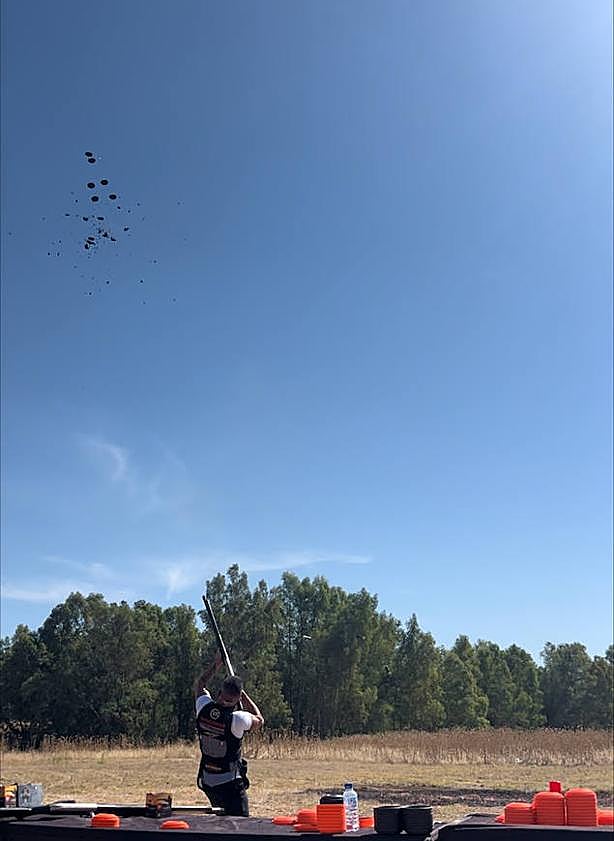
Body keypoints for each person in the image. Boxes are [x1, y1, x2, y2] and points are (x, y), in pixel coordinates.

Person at [194, 653, 264, 817]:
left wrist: (215, 665)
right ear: (238, 697)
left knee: (222, 825)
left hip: (208, 780)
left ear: (220, 692)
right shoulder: (238, 719)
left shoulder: (203, 707)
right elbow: (260, 720)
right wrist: (245, 698)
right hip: (229, 783)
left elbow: (200, 684)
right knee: (240, 827)